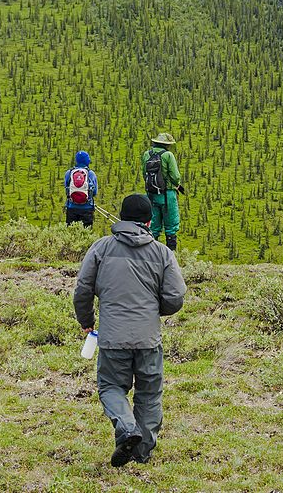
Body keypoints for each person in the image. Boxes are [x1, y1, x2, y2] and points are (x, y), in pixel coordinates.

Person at [73, 194, 186, 467]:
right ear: (149, 221)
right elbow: (176, 296)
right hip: (148, 338)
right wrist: (153, 310)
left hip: (113, 338)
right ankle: (141, 453)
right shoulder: (162, 252)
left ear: (121, 218)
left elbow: (82, 290)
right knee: (149, 394)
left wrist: (86, 320)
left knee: (111, 387)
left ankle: (126, 427)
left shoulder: (101, 248)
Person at [141, 133, 184, 251]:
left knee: (153, 226)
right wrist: (178, 185)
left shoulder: (146, 154)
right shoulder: (168, 155)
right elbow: (175, 176)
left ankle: (151, 252)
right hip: (167, 194)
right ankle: (171, 253)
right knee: (171, 226)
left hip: (151, 194)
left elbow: (143, 173)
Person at [64, 151, 98, 227]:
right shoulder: (91, 174)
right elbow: (95, 192)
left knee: (70, 232)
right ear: (87, 161)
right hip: (87, 208)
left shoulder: (69, 173)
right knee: (86, 233)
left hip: (71, 208)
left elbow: (66, 189)